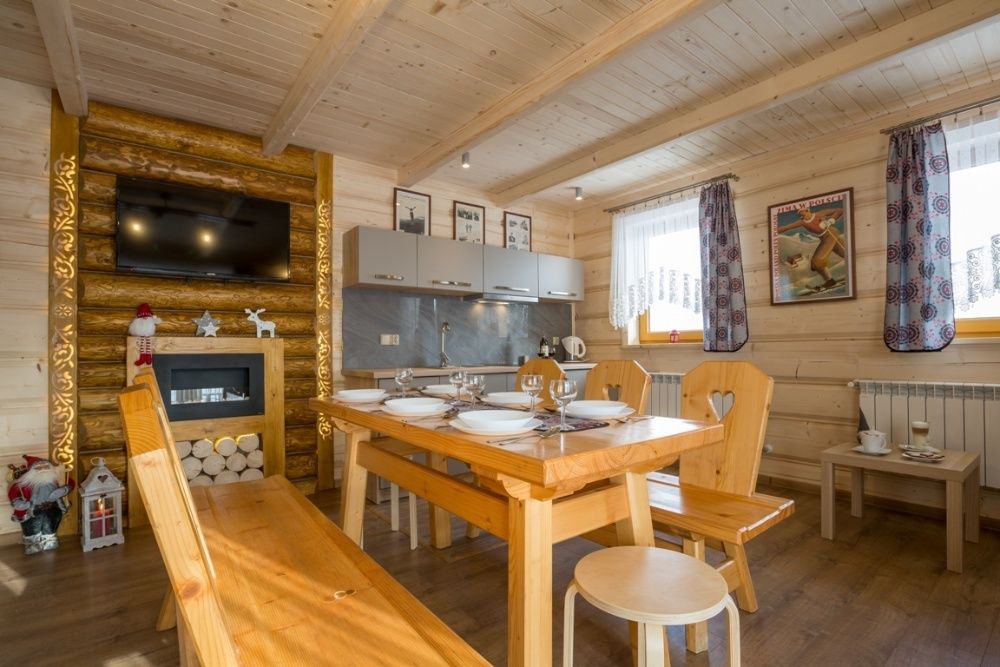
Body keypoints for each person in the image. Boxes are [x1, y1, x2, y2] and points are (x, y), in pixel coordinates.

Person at [6, 455, 75, 554]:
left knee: (50, 526)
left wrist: (64, 490)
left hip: (53, 508)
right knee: (32, 528)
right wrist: (21, 504)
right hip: (33, 510)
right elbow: (14, 493)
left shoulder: (56, 479)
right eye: (38, 468)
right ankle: (32, 545)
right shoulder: (25, 484)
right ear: (31, 470)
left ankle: (49, 541)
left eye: (46, 467)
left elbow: (70, 482)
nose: (43, 469)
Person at [777, 205, 847, 288]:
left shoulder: (819, 214)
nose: (802, 216)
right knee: (844, 253)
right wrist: (774, 231)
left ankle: (830, 282)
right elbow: (787, 227)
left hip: (830, 234)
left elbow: (839, 210)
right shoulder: (802, 222)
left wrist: (830, 221)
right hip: (824, 238)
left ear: (807, 211)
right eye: (800, 214)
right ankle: (830, 280)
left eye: (802, 213)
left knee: (817, 260)